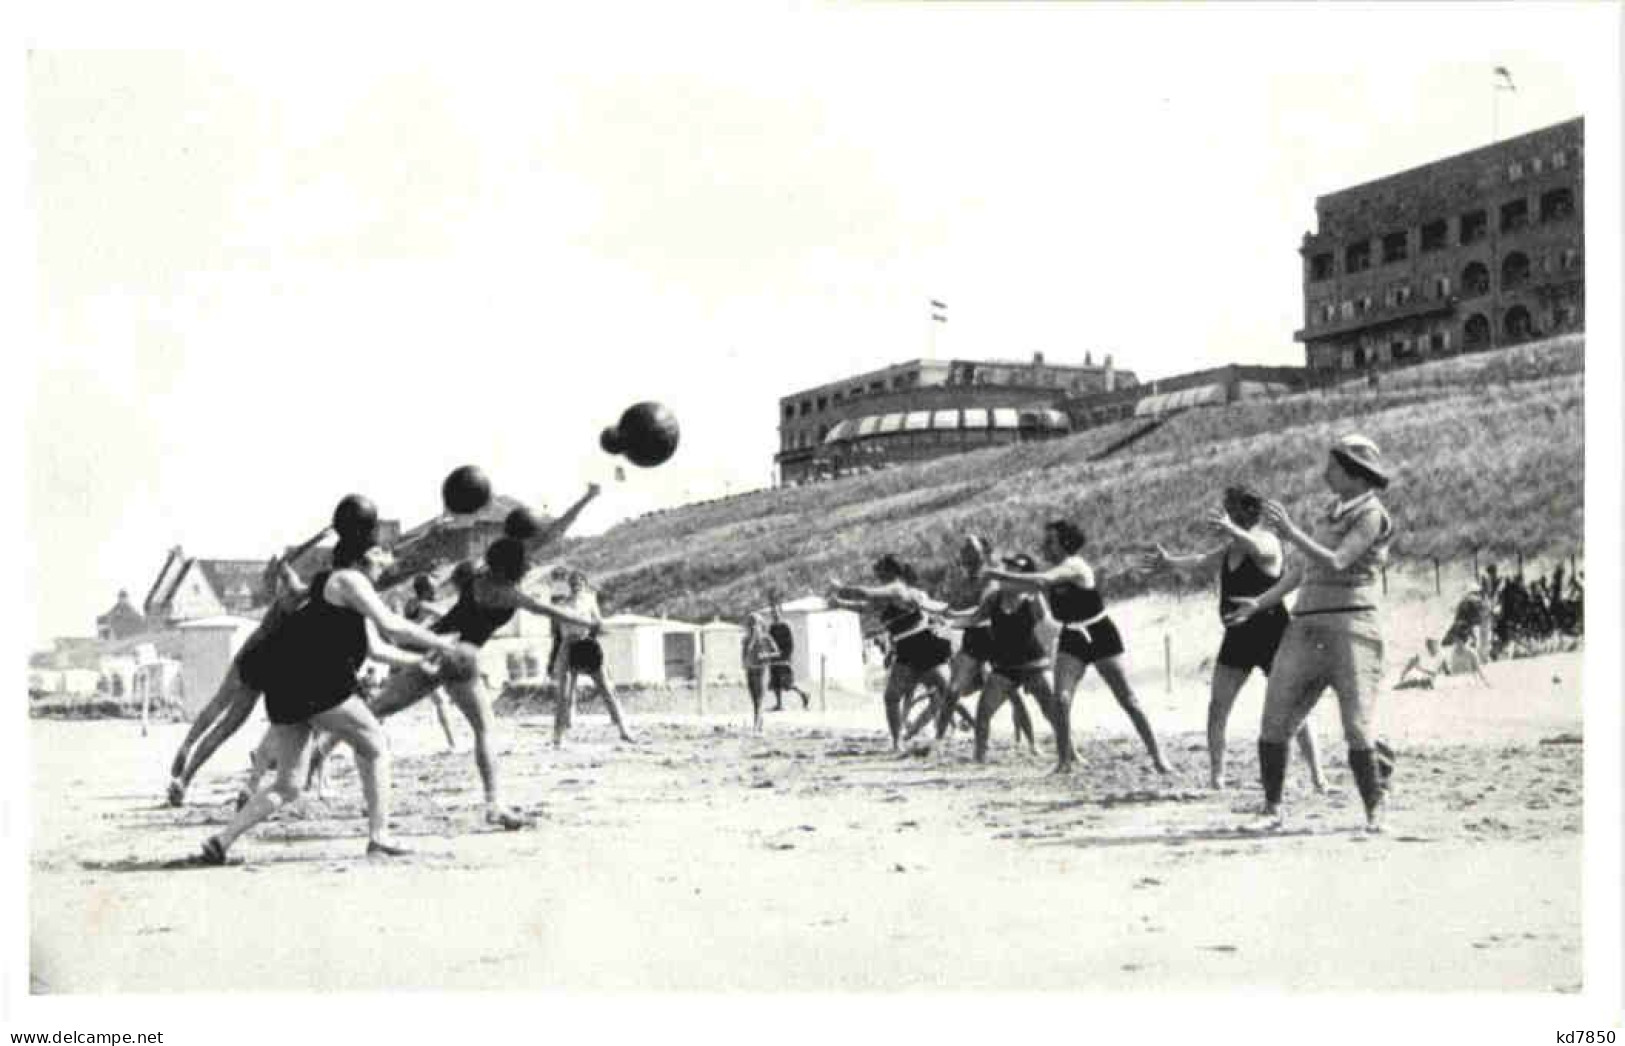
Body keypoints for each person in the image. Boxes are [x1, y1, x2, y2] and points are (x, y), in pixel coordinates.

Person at [199, 526, 476, 863]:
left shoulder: (339, 586)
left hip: (286, 685)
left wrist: (420, 661)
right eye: (386, 552)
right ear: (370, 554)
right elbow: (392, 626)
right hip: (315, 684)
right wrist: (442, 643)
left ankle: (222, 840)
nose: (390, 560)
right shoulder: (350, 580)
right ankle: (379, 836)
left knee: (288, 785)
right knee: (375, 745)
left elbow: (376, 649)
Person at [306, 537, 595, 829]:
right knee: (484, 728)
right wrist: (590, 622)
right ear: (516, 566)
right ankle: (494, 803)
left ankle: (317, 754)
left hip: (435, 647)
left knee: (377, 710)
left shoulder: (477, 578)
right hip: (459, 656)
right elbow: (549, 611)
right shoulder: (508, 594)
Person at [1226, 434, 1398, 833]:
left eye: (1334, 467)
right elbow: (1302, 570)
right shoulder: (1330, 512)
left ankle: (1375, 806)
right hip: (1305, 625)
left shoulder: (1371, 513)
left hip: (1352, 626)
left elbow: (1338, 561)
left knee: (1356, 725)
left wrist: (1290, 532)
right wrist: (1261, 602)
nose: (1326, 473)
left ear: (1356, 473)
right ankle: (1272, 809)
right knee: (1276, 718)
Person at [165, 507, 361, 807]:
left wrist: (311, 540)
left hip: (255, 651)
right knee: (228, 726)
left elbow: (281, 562)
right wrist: (314, 543)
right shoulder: (315, 595)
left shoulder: (293, 591)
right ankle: (188, 776)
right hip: (271, 663)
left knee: (218, 706)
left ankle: (187, 752)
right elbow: (288, 566)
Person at [1139, 486, 1326, 792]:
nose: (1226, 515)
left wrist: (1228, 527)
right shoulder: (1230, 549)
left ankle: (1319, 777)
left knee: (1293, 707)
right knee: (1218, 706)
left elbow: (1261, 551)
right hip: (1237, 636)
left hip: (1272, 632)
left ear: (1249, 511)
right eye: (1225, 509)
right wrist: (1169, 561)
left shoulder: (1267, 539)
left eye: (1232, 509)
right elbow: (1200, 560)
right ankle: (1217, 777)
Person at [981, 520, 1171, 775]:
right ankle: (1063, 763)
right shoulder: (1055, 570)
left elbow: (1042, 579)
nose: (1043, 546)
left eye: (1050, 541)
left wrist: (999, 574)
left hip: (1099, 632)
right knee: (1061, 700)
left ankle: (1158, 757)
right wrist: (994, 577)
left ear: (1064, 545)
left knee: (1127, 699)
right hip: (1072, 635)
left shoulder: (1075, 566)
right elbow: (1030, 585)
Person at [907, 535, 1034, 751]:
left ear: (983, 552)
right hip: (973, 639)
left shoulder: (992, 578)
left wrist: (949, 617)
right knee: (953, 690)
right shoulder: (963, 581)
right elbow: (953, 609)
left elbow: (980, 613)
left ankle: (1029, 742)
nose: (964, 551)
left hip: (994, 638)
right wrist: (930, 607)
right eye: (963, 547)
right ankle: (938, 741)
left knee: (1013, 693)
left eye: (970, 547)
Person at [828, 555, 955, 751]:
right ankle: (898, 742)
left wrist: (841, 588)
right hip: (905, 649)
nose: (876, 574)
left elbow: (865, 593)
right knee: (892, 697)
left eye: (879, 570)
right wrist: (840, 603)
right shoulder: (886, 596)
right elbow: (865, 608)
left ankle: (940, 735)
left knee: (947, 691)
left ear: (890, 571)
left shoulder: (896, 587)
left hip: (925, 644)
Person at [942, 554, 1056, 764]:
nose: (1008, 572)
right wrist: (948, 623)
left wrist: (1033, 591)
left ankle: (1070, 752)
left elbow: (1045, 621)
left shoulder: (1032, 598)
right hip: (1004, 666)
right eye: (1007, 567)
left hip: (1033, 664)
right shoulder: (994, 598)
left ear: (1024, 575)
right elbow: (975, 619)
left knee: (1052, 712)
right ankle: (979, 758)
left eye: (1014, 569)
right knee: (984, 711)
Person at [552, 570, 637, 747]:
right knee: (564, 694)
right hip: (568, 646)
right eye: (573, 583)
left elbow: (598, 622)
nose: (576, 586)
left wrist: (597, 632)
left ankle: (623, 729)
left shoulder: (590, 600)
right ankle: (558, 736)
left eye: (580, 582)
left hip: (587, 644)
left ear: (585, 584)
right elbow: (559, 633)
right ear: (569, 585)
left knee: (606, 688)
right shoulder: (563, 605)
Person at [403, 574, 459, 752]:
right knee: (441, 700)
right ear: (425, 590)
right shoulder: (425, 606)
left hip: (409, 657)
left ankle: (453, 742)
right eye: (433, 588)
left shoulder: (411, 604)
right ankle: (453, 743)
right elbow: (449, 616)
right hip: (418, 659)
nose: (437, 592)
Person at [741, 612, 783, 734]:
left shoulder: (766, 638)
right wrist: (744, 662)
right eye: (750, 624)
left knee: (759, 699)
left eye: (754, 624)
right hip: (750, 670)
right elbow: (743, 654)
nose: (752, 627)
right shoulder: (746, 639)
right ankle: (759, 724)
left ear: (760, 624)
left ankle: (756, 726)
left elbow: (777, 652)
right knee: (754, 699)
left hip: (761, 670)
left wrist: (765, 655)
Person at [766, 601, 810, 711]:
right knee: (775, 683)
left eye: (776, 612)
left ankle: (804, 694)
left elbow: (790, 644)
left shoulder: (785, 626)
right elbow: (770, 642)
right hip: (774, 658)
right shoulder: (772, 627)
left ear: (780, 612)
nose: (774, 614)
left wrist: (786, 657)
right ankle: (779, 704)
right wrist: (770, 655)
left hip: (784, 658)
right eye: (773, 612)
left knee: (787, 683)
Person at [1397, 637, 1491, 690]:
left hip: (1428, 680)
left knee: (1424, 682)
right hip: (1419, 678)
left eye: (1434, 645)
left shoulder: (1441, 656)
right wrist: (1402, 676)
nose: (1432, 648)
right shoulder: (1419, 655)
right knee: (1414, 682)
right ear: (1426, 645)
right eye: (1430, 645)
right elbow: (1408, 667)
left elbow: (1446, 673)